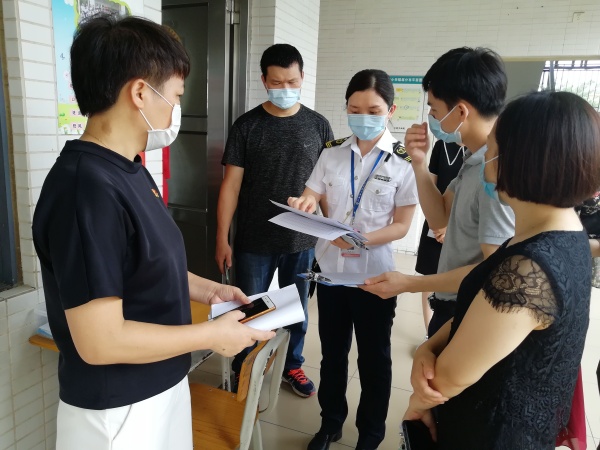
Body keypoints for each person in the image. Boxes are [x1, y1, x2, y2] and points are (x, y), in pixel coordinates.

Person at [32, 15, 273, 450]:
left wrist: (209, 291)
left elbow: (144, 265)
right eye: (176, 95)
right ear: (140, 92)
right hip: (120, 411)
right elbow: (100, 342)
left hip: (161, 383)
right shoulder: (86, 189)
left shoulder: (130, 170)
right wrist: (212, 335)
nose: (176, 109)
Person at [403, 90, 600, 449]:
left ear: (521, 161)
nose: (486, 159)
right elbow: (480, 315)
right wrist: (428, 346)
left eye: (492, 149)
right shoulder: (566, 233)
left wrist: (417, 403)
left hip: (493, 433)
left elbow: (448, 378)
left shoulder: (529, 270)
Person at [288, 69, 418, 450]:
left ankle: (370, 435)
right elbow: (311, 193)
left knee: (374, 361)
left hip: (375, 278)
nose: (363, 117)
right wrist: (303, 203)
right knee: (332, 356)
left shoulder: (403, 161)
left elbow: (402, 225)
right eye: (355, 109)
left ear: (390, 110)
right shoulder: (331, 152)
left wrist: (362, 240)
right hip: (331, 272)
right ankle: (330, 424)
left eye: (373, 110)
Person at [362, 48, 515, 338]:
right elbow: (439, 218)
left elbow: (494, 270)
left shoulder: (494, 173)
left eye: (434, 110)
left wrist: (410, 283)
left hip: (471, 310)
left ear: (461, 112)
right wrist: (418, 164)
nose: (430, 118)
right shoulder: (474, 159)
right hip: (454, 303)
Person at [216, 43, 334, 398]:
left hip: (302, 241)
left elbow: (326, 185)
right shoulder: (247, 125)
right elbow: (230, 186)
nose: (286, 89)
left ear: (302, 77)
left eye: (292, 82)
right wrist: (221, 238)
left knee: (297, 309)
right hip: (254, 239)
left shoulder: (318, 125)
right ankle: (243, 367)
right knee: (249, 307)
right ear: (264, 80)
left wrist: (333, 231)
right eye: (278, 82)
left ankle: (291, 365)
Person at [414, 140, 463, 336]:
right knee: (429, 277)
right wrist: (437, 225)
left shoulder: (481, 150)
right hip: (434, 224)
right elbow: (430, 188)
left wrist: (449, 227)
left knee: (457, 281)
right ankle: (429, 332)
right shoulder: (442, 145)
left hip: (461, 228)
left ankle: (450, 334)